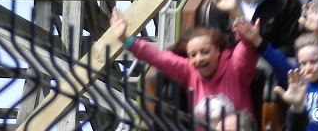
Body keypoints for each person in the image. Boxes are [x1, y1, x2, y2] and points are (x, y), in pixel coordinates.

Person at [110, 8, 259, 122]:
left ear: (217, 50)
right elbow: (158, 58)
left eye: (205, 52)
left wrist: (236, 14)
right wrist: (126, 40)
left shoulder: (235, 68)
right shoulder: (188, 71)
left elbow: (247, 44)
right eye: (193, 55)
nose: (199, 59)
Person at [237, 4, 318, 131]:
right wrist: (256, 40)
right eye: (303, 63)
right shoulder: (298, 82)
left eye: (314, 61)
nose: (308, 68)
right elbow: (277, 60)